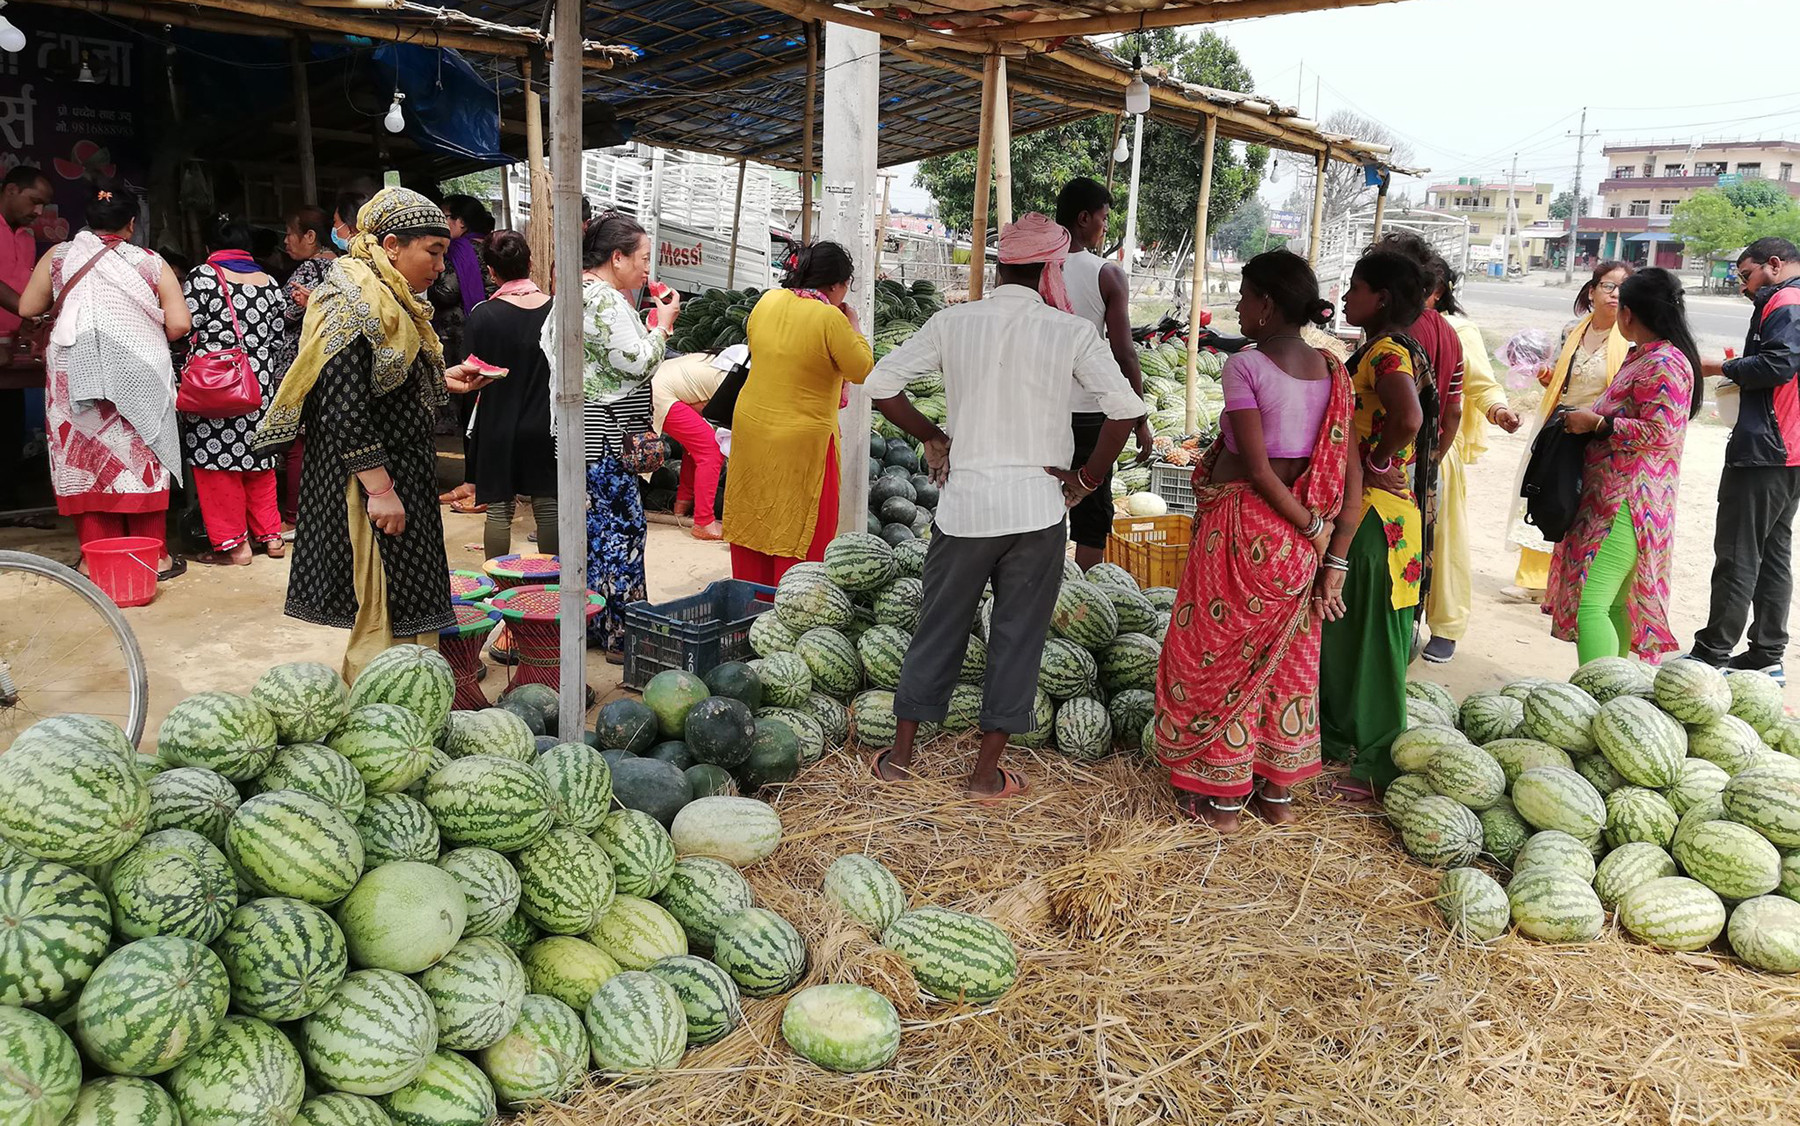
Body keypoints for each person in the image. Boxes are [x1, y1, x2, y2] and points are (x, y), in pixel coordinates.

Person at [865, 214, 1146, 799]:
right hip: (1037, 510)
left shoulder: (953, 321)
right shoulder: (1070, 332)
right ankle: (984, 774)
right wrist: (1088, 478)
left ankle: (898, 758)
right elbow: (1123, 408)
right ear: (1051, 269)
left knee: (937, 626)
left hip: (964, 507)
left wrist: (932, 435)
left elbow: (881, 384)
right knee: (1018, 637)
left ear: (1001, 266)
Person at [1151, 251, 1353, 831]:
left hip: (1244, 531)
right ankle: (1276, 795)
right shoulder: (1332, 371)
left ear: (1267, 304)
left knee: (1215, 654)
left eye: (1243, 295)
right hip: (1299, 541)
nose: (1238, 306)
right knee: (1286, 659)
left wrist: (1311, 529)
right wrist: (1323, 540)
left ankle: (1222, 799)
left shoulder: (1245, 366)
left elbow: (1259, 469)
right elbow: (1352, 472)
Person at [254, 187, 454, 682]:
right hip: (368, 483)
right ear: (391, 245)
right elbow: (342, 410)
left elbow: (384, 380)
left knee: (406, 594)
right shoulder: (352, 302)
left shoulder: (391, 297)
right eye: (432, 252)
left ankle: (411, 693)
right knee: (380, 603)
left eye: (443, 254)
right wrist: (382, 491)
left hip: (401, 470)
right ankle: (377, 704)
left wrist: (447, 378)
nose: (440, 267)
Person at [17, 178, 191, 576]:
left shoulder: (59, 257)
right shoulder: (150, 262)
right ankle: (154, 556)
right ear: (131, 223)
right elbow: (179, 324)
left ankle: (94, 558)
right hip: (138, 373)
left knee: (85, 461)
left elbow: (29, 306)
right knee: (141, 459)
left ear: (87, 221)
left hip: (73, 375)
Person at [1318, 248, 1436, 796]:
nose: (1345, 298)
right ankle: (1343, 743)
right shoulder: (1384, 349)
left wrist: (1378, 461)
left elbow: (1407, 416)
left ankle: (1377, 765)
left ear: (1381, 297)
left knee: (1376, 644)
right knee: (1350, 637)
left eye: (1355, 289)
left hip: (1377, 520)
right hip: (1385, 521)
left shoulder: (1387, 353)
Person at [1548, 268, 1700, 663]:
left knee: (1591, 605)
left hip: (1628, 502)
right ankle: (1617, 694)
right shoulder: (1645, 356)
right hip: (1614, 495)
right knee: (1614, 605)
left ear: (1628, 314)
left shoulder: (1664, 362)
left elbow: (1660, 431)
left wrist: (1598, 423)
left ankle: (1600, 694)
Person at [551, 212, 679, 658]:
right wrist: (663, 325)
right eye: (643, 258)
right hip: (607, 439)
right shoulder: (603, 300)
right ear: (617, 257)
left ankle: (592, 625)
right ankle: (624, 634)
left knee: (590, 535)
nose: (647, 269)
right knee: (621, 533)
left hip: (576, 437)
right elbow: (638, 362)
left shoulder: (571, 294)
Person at [723, 242, 873, 584]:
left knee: (754, 513)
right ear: (836, 285)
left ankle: (751, 601)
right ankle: (790, 601)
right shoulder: (830, 318)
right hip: (803, 443)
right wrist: (854, 325)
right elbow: (862, 368)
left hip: (752, 429)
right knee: (801, 525)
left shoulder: (768, 300)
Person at [1689, 238, 1800, 682]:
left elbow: (1778, 366)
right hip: (1789, 452)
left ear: (1773, 265)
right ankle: (1766, 656)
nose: (1742, 286)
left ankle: (1712, 652)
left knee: (1738, 553)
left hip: (1767, 449)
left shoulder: (1786, 301)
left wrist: (1717, 368)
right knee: (1773, 552)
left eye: (1745, 275)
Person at [1503, 261, 1634, 602]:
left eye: (1623, 288)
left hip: (1599, 432)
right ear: (1591, 291)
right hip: (1562, 425)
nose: (1615, 294)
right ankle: (1532, 578)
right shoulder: (1571, 331)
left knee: (1585, 505)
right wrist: (1548, 376)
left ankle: (1572, 584)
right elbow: (1566, 378)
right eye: (1608, 286)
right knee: (1546, 494)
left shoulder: (1631, 340)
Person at [1422, 270, 1522, 662]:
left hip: (1438, 452)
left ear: (1438, 290)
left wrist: (1499, 411)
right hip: (1385, 454)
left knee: (1444, 539)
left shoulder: (1457, 331)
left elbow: (1480, 384)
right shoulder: (1388, 324)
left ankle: (1446, 625)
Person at [1054, 178, 1153, 570]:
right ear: (1083, 219)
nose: (1105, 227)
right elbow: (1124, 352)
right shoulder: (1106, 274)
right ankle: (1084, 587)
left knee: (1041, 501)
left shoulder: (1035, 266)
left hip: (1041, 405)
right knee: (1091, 513)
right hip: (1089, 411)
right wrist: (1140, 419)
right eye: (1103, 218)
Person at [443, 229, 556, 562]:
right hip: (545, 424)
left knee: (499, 509)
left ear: (491, 271)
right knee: (547, 505)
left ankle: (499, 586)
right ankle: (551, 586)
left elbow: (470, 370)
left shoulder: (483, 314)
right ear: (530, 263)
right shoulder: (554, 311)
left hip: (496, 426)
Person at [180, 220, 288, 566]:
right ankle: (271, 537)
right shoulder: (270, 283)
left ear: (211, 247)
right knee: (260, 460)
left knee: (217, 463)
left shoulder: (203, 277)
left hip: (217, 381)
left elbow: (185, 325)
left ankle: (234, 546)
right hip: (260, 381)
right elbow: (276, 337)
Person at [1375, 232, 1463, 473]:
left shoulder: (1396, 337)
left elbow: (1407, 419)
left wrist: (1378, 464)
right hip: (1421, 466)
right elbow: (1453, 413)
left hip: (1387, 471)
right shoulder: (1450, 333)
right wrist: (1429, 467)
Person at [0, 166, 54, 521]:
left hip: (13, 349)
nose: (38, 212)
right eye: (34, 201)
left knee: (9, 429)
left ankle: (9, 504)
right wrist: (26, 311)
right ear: (11, 189)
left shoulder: (27, 237)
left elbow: (30, 291)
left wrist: (34, 326)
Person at [652, 347, 739, 541]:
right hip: (662, 393)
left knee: (697, 445)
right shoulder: (742, 379)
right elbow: (710, 411)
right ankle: (704, 523)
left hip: (663, 383)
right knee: (711, 451)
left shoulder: (739, 361)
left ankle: (681, 505)